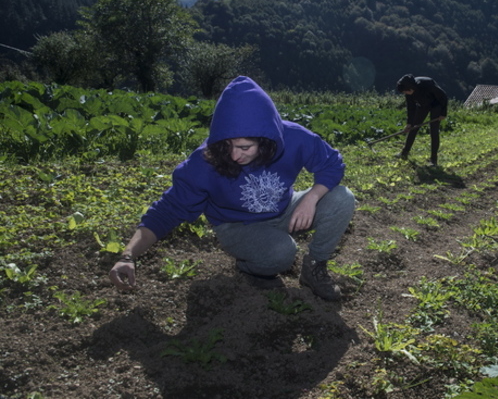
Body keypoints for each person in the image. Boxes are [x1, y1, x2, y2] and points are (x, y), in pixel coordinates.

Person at [109, 76, 355, 301]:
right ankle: (251, 269)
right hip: (237, 226)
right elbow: (166, 211)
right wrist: (128, 256)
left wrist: (311, 198)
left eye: (245, 147)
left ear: (266, 139)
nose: (235, 155)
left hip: (284, 208)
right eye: (228, 146)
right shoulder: (203, 162)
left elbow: (332, 164)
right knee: (281, 252)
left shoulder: (293, 137)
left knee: (342, 198)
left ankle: (315, 267)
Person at [396, 74, 448, 166]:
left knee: (434, 130)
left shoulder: (427, 85)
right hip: (423, 105)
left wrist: (443, 113)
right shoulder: (408, 93)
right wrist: (409, 123)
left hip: (436, 104)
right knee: (413, 128)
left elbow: (443, 96)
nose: (405, 94)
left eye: (405, 92)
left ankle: (433, 159)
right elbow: (411, 108)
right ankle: (404, 153)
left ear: (411, 88)